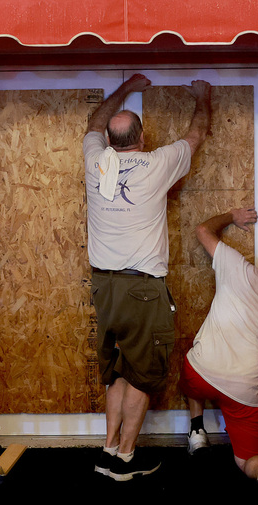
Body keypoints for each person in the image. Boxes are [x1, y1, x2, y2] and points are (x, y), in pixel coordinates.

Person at [84, 72, 212, 481]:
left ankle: (107, 450)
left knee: (119, 369)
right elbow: (195, 135)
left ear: (109, 140)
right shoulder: (157, 163)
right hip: (142, 287)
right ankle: (125, 459)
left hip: (105, 287)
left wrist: (124, 89)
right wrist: (202, 97)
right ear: (142, 137)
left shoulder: (94, 162)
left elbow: (91, 124)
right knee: (141, 372)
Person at [180, 207, 258, 505]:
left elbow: (203, 229)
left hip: (202, 373)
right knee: (250, 458)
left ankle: (197, 432)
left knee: (192, 360)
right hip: (244, 390)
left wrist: (232, 216)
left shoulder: (238, 267)